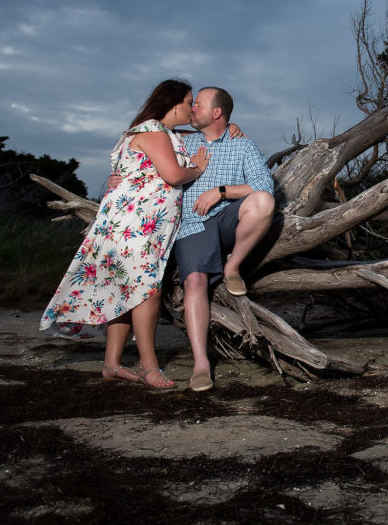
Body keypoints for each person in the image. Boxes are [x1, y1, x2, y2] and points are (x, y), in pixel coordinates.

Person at [40, 79, 209, 389]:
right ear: (174, 104)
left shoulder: (151, 132)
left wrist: (233, 126)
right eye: (189, 101)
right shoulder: (153, 131)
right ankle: (149, 366)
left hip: (136, 224)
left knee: (124, 291)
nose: (192, 107)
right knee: (147, 292)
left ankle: (112, 364)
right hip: (135, 226)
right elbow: (172, 175)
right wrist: (196, 169)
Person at [173, 86, 275, 392]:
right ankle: (201, 364)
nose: (192, 109)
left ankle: (233, 267)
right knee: (195, 282)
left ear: (217, 113)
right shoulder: (181, 141)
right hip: (192, 224)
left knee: (264, 202)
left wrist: (221, 192)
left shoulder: (241, 144)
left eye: (198, 105)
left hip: (229, 218)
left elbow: (263, 185)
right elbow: (146, 138)